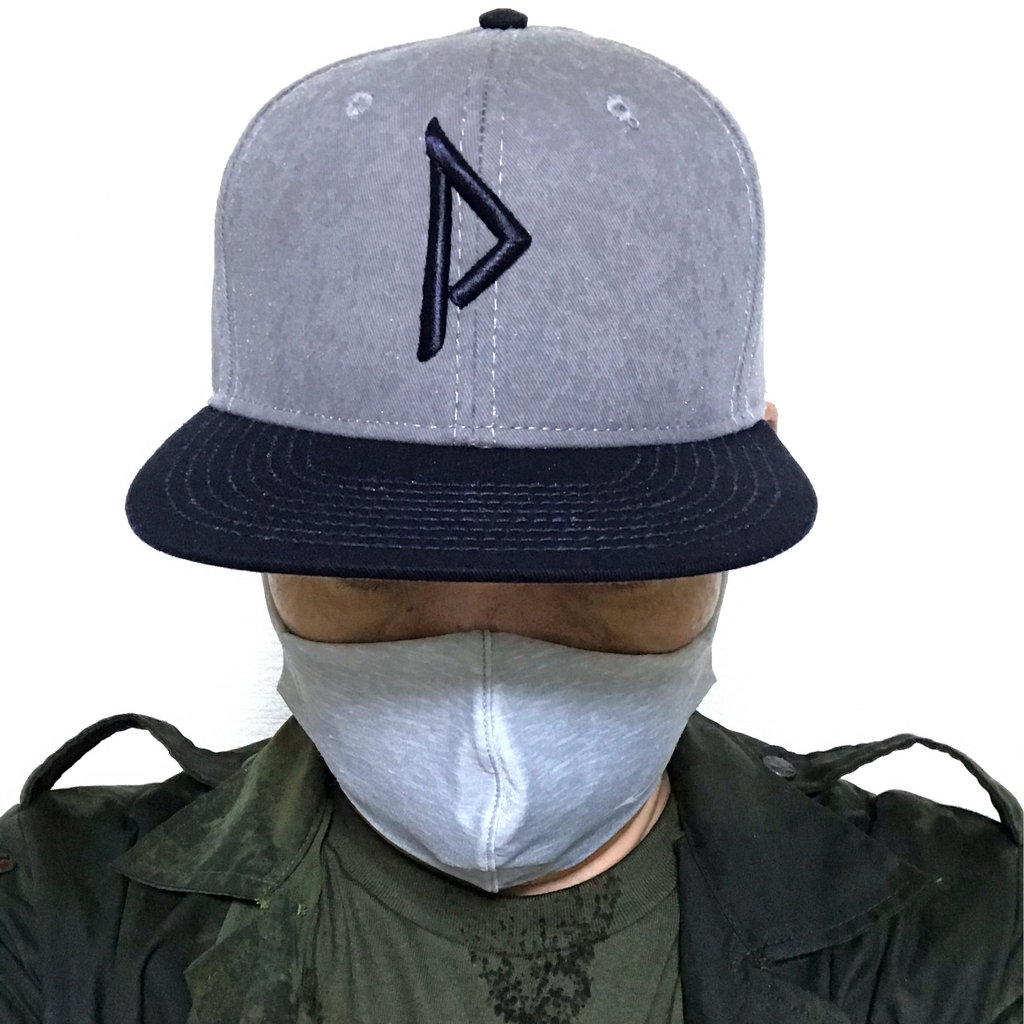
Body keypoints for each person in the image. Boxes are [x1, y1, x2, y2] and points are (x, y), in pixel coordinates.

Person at [1, 10, 1020, 1023]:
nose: (483, 656)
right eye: (374, 566)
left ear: (754, 453)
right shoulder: (50, 912)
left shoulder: (976, 931)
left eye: (601, 566)